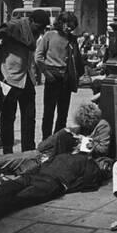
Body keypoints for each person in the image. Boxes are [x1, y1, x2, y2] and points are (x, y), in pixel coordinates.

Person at [0, 153, 113, 233]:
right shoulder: (91, 167)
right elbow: (88, 185)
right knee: (15, 199)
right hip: (50, 182)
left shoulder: (69, 156)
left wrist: (25, 175)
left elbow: (43, 164)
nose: (105, 167)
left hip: (41, 178)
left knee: (9, 192)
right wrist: (67, 186)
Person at [0, 9, 50, 154]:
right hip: (9, 77)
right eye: (39, 27)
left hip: (26, 77)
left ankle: (28, 151)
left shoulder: (34, 33)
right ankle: (7, 151)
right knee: (8, 116)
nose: (40, 31)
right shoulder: (12, 28)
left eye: (43, 28)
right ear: (31, 21)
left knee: (29, 116)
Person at [35, 12, 84, 141]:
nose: (69, 29)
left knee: (63, 112)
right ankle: (46, 139)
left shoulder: (72, 39)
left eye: (72, 27)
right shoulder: (49, 35)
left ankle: (58, 139)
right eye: (68, 25)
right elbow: (38, 57)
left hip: (66, 77)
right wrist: (46, 73)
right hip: (52, 75)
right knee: (49, 112)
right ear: (61, 23)